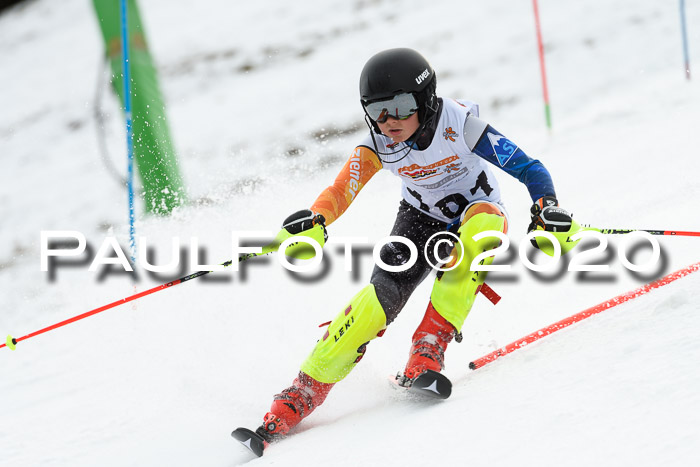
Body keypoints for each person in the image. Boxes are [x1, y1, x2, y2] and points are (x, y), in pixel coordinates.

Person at [255, 48, 576, 442]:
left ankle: (428, 346)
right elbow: (341, 190)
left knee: (482, 232)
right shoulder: (377, 144)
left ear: (425, 99)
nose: (389, 121)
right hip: (419, 221)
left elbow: (529, 168)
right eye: (377, 111)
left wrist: (547, 208)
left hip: (477, 210)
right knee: (374, 305)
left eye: (401, 106)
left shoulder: (460, 124)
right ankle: (300, 393)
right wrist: (317, 219)